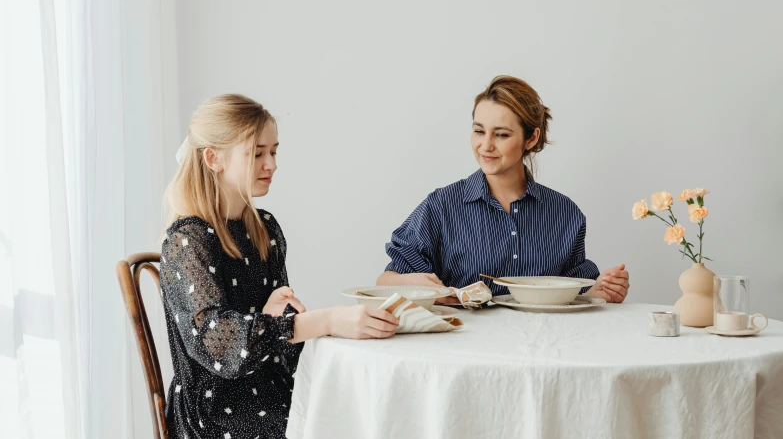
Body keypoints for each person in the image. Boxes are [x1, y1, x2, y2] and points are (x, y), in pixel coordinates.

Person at [161, 94, 398, 439]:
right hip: (215, 413)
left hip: (270, 388)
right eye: (257, 153)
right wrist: (325, 320)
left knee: (361, 412)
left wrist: (280, 321)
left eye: (273, 152)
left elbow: (279, 336)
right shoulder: (186, 242)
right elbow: (218, 344)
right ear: (214, 159)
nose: (270, 164)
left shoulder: (264, 228)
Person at [377, 76, 629, 303]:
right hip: (463, 347)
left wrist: (602, 290)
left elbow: (578, 291)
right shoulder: (441, 205)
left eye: (501, 135)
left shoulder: (564, 213)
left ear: (530, 138)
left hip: (545, 348)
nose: (485, 145)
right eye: (478, 131)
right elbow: (386, 280)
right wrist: (417, 284)